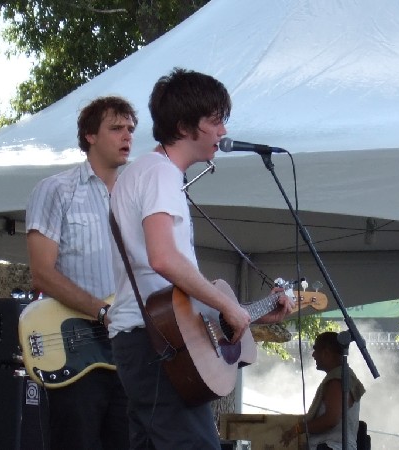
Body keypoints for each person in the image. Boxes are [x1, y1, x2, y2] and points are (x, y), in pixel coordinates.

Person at [108, 67, 293, 450]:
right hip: (156, 348)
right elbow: (162, 258)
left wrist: (245, 311)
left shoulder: (140, 172)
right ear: (184, 126)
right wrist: (228, 304)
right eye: (215, 120)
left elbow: (175, 294)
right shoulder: (161, 175)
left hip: (145, 344)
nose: (224, 131)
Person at [25, 96, 137, 450]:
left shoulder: (138, 196)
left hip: (128, 356)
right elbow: (41, 273)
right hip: (76, 352)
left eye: (131, 129)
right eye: (116, 128)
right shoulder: (57, 190)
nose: (127, 136)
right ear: (90, 135)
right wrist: (101, 311)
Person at [280, 331, 366, 450]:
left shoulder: (337, 380)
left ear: (326, 353)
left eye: (316, 350)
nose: (313, 355)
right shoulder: (343, 376)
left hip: (332, 446)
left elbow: (331, 419)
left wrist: (298, 428)